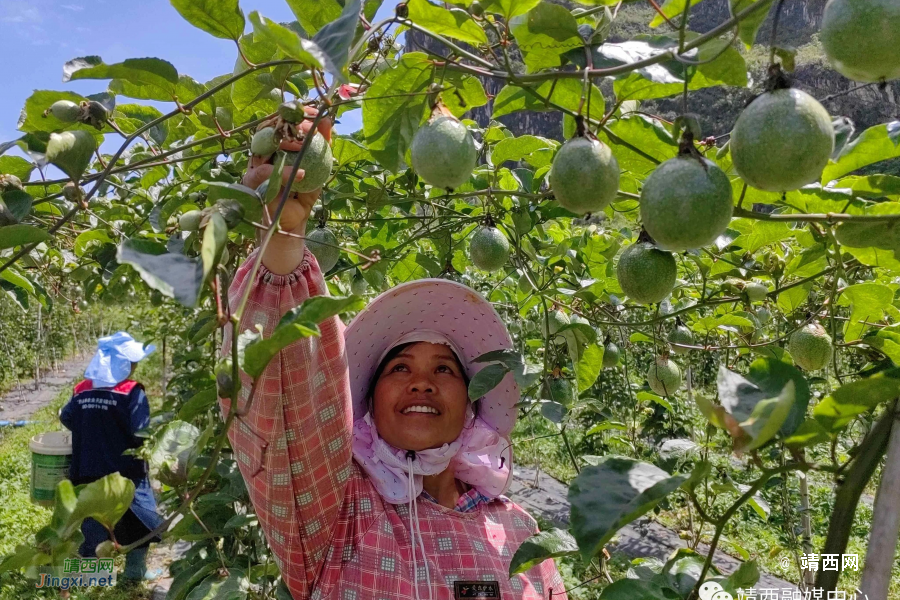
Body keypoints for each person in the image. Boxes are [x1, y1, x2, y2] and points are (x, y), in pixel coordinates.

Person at [222, 108, 567, 599]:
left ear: (471, 405)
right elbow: (287, 404)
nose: (421, 382)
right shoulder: (335, 515)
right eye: (400, 367)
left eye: (444, 369)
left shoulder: (521, 534)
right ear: (369, 402)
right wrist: (282, 237)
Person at [59, 331, 162, 582]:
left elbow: (66, 417)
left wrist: (92, 429)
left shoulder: (82, 390)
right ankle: (135, 570)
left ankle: (93, 576)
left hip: (88, 468)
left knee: (94, 520)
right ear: (122, 364)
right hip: (127, 471)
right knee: (140, 516)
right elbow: (140, 432)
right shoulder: (131, 392)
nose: (135, 365)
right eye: (131, 361)